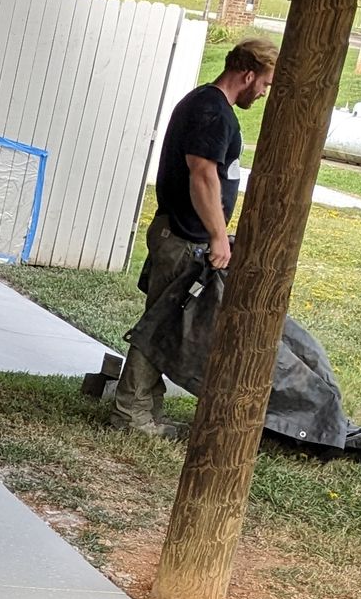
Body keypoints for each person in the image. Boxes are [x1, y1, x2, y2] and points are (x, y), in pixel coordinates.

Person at [111, 35, 278, 433]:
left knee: (164, 322)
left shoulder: (205, 103)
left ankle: (145, 409)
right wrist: (218, 237)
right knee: (162, 325)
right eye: (265, 83)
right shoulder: (212, 112)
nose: (264, 92)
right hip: (184, 236)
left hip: (182, 232)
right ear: (248, 73)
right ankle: (130, 414)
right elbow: (202, 176)